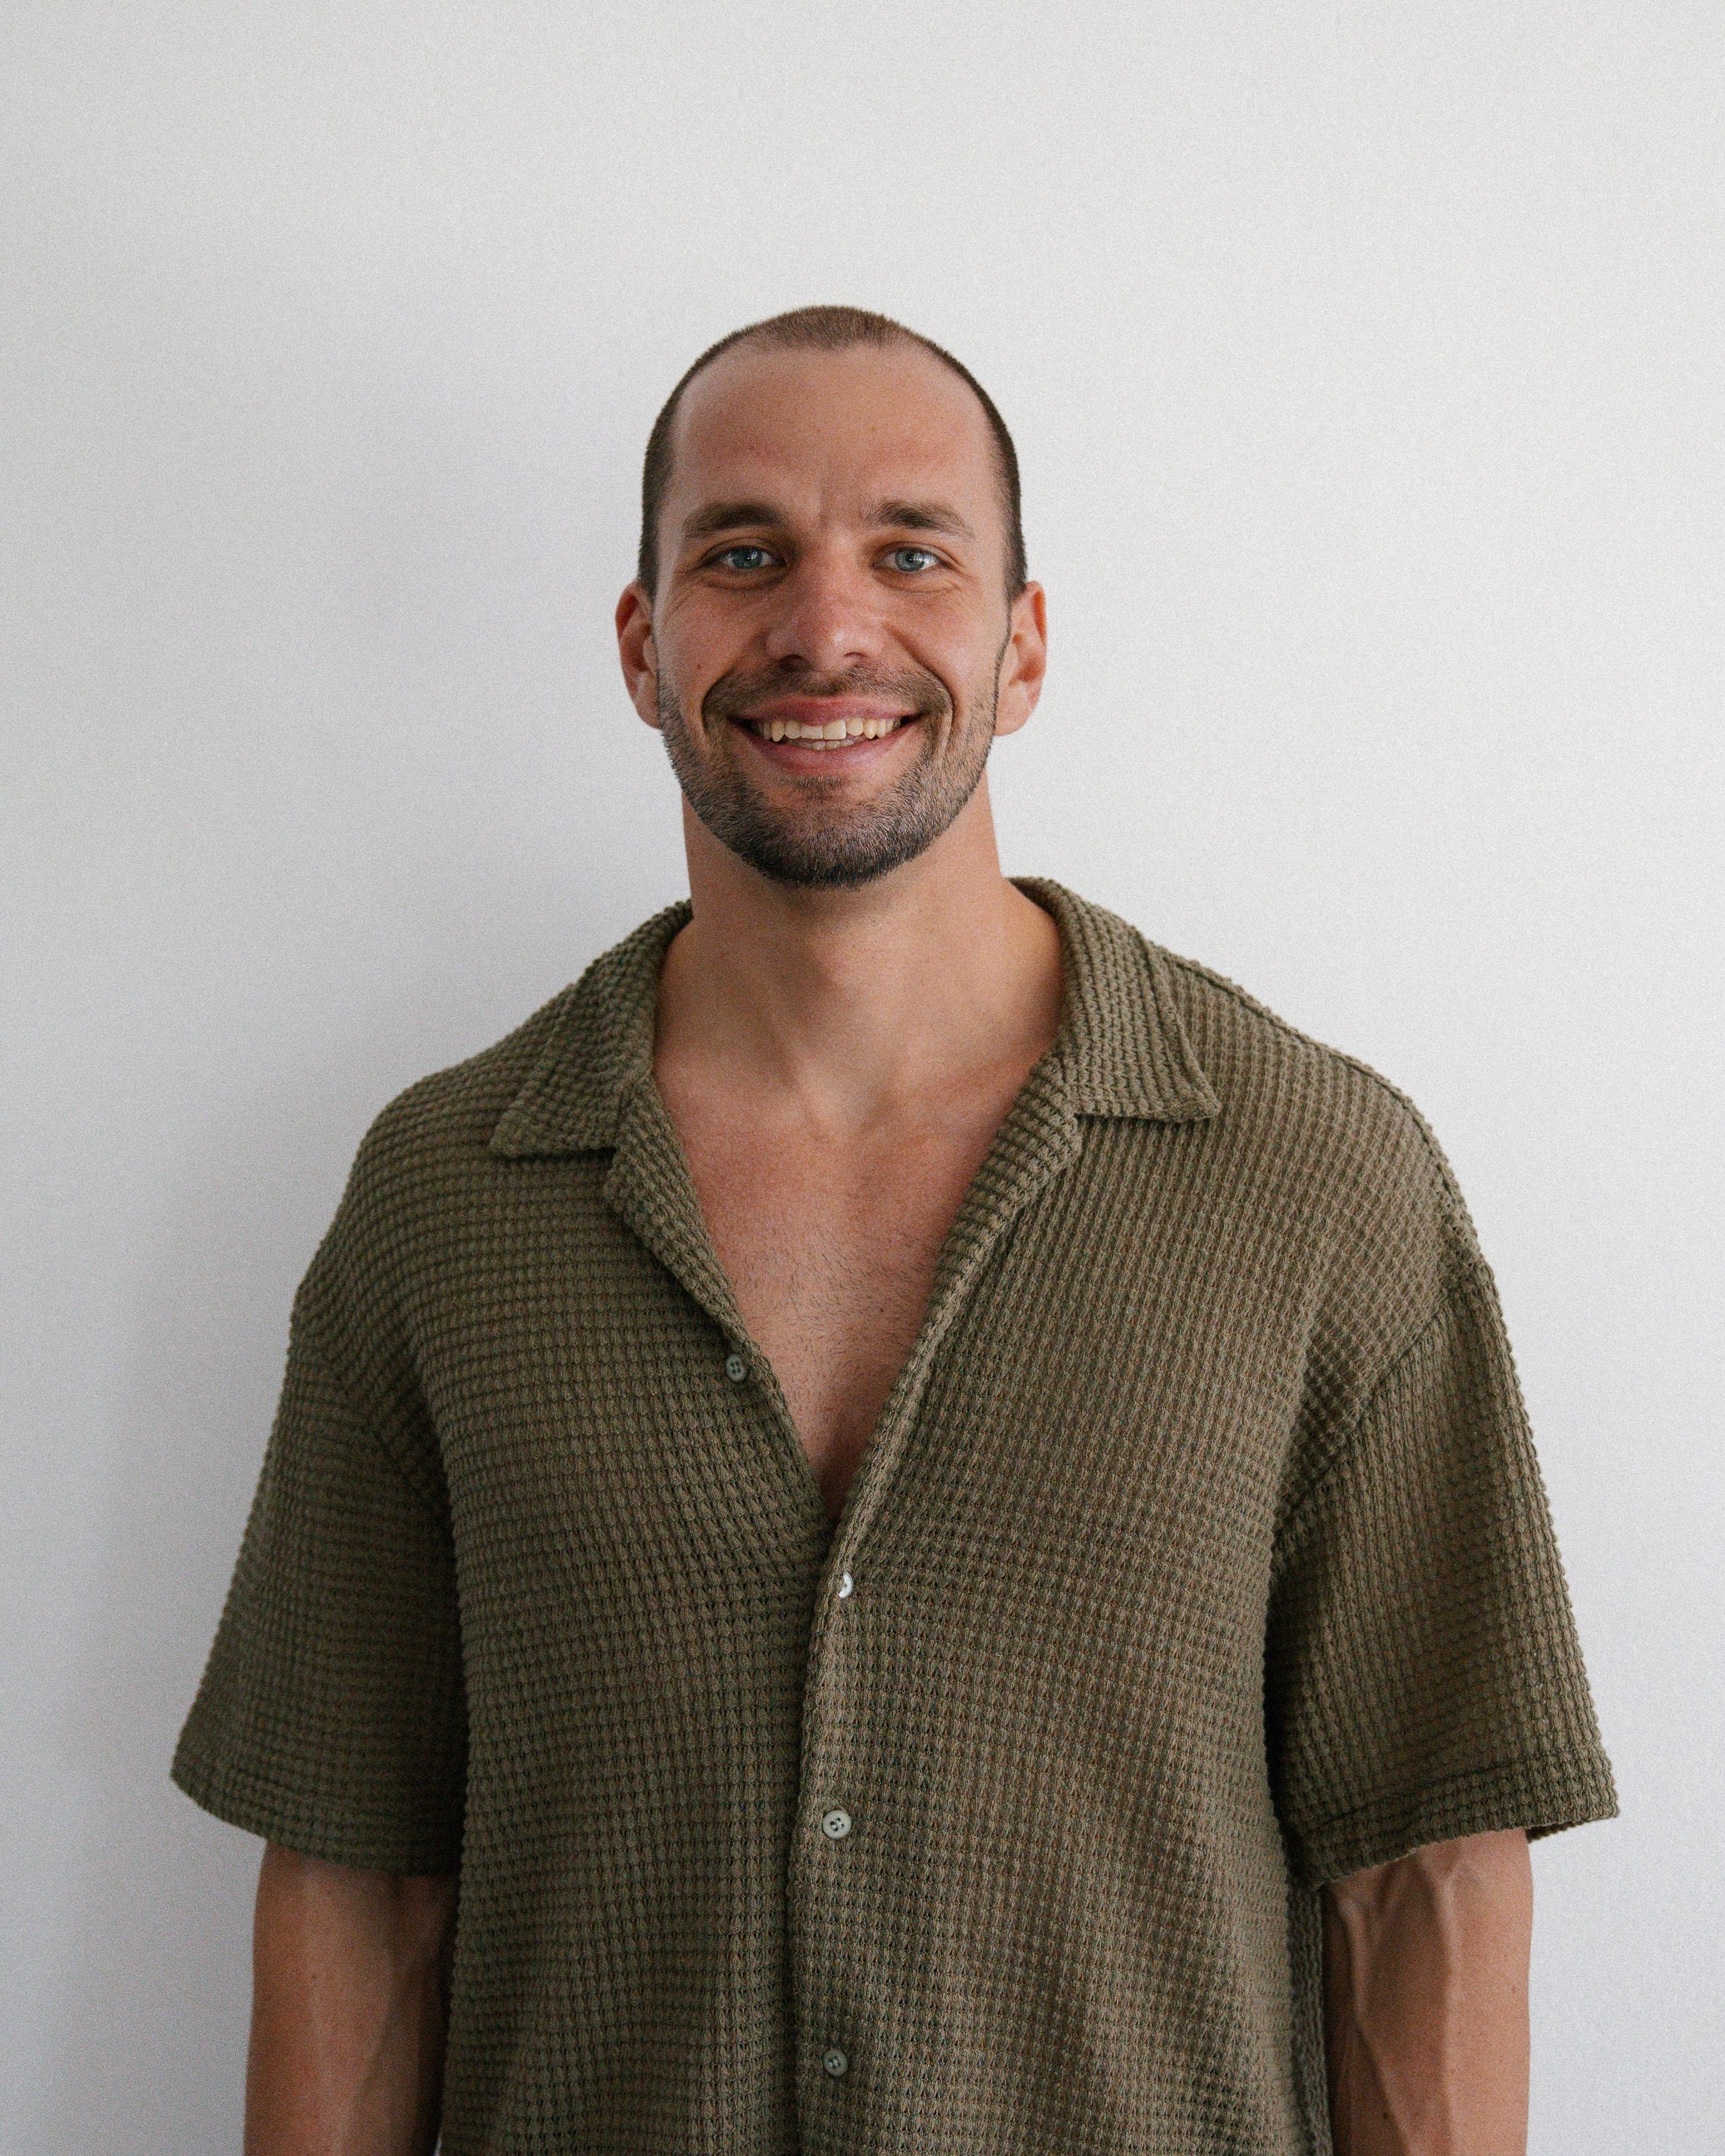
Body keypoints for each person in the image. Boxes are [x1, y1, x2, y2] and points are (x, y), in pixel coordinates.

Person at [174, 305, 1617, 2156]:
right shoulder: (444, 1201)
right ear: (644, 644)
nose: (825, 628)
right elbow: (360, 1879)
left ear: (1020, 646)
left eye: (910, 552)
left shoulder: (1315, 1179)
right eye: (743, 552)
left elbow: (1420, 1869)